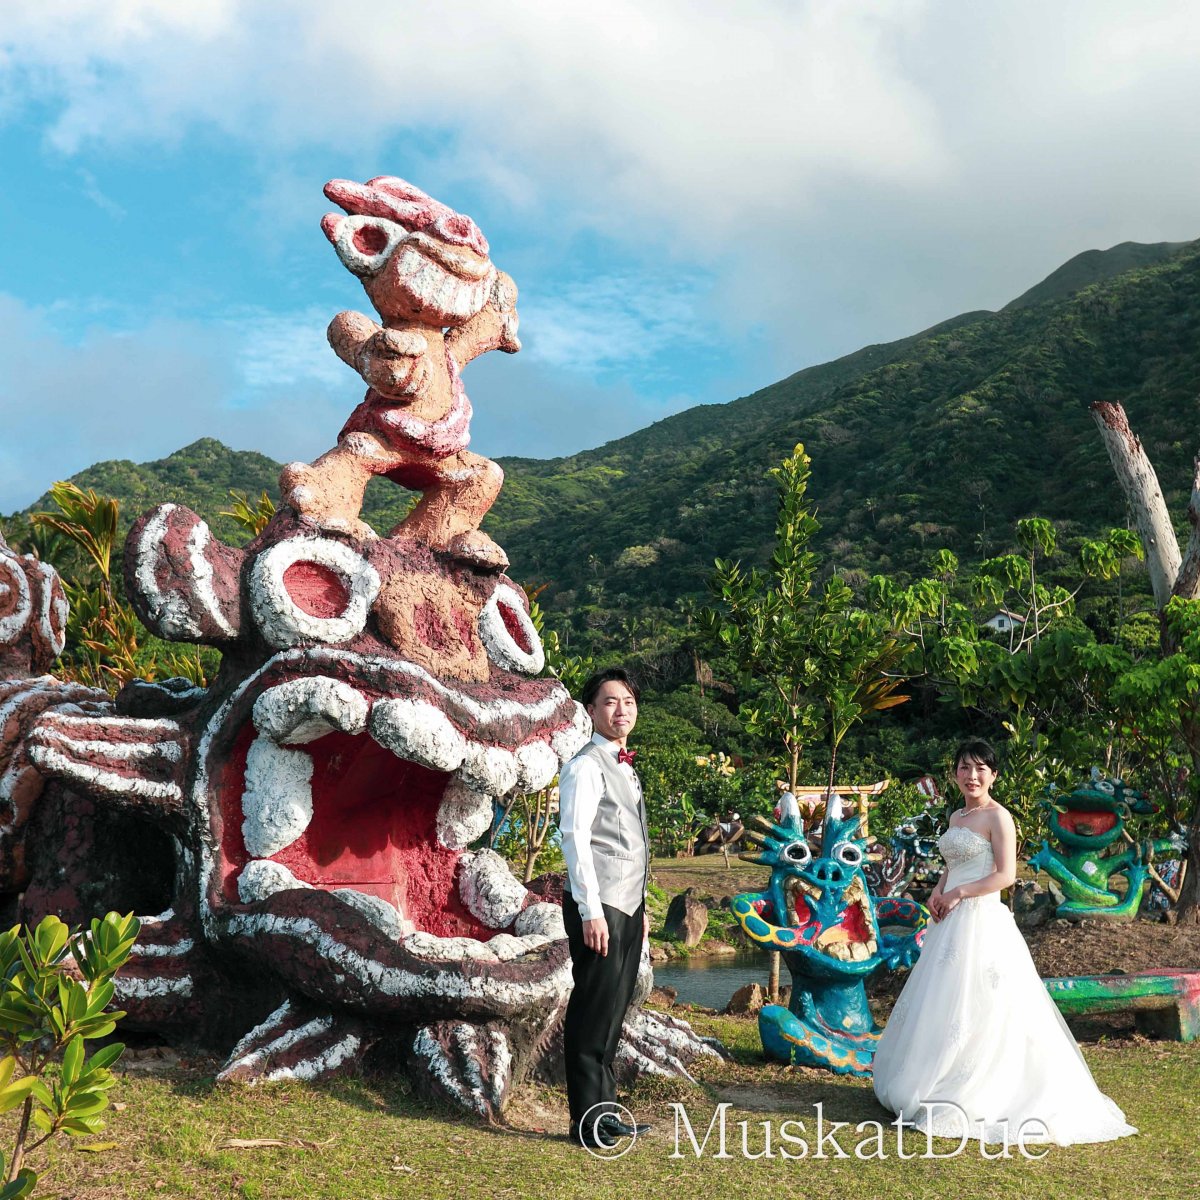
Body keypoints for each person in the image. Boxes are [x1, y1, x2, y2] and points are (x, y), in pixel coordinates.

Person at [872, 738, 1137, 1146]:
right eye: (964, 767)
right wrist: (938, 891)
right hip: (949, 922)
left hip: (982, 920)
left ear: (993, 775)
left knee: (985, 1002)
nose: (971, 775)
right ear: (955, 773)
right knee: (943, 999)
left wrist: (959, 894)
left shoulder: (1000, 817)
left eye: (980, 769)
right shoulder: (957, 815)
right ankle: (929, 1075)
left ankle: (977, 1088)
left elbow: (1005, 875)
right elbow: (952, 866)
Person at [558, 667, 653, 1151]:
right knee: (593, 1010)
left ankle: (606, 1112)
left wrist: (640, 911)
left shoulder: (624, 765)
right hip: (600, 907)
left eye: (629, 702)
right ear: (591, 711)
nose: (622, 710)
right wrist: (591, 911)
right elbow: (575, 840)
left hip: (627, 905)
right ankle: (586, 1121)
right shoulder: (585, 766)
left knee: (614, 1012)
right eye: (611, 702)